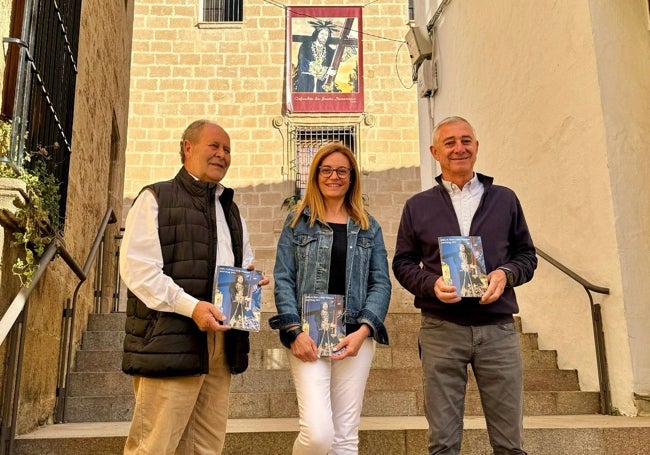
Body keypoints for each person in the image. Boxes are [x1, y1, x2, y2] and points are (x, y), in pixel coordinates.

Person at [120, 119, 269, 454]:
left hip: (221, 343)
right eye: (214, 146)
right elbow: (139, 271)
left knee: (205, 446)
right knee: (153, 446)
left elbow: (242, 263)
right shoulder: (155, 197)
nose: (222, 155)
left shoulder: (231, 210)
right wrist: (192, 307)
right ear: (188, 147)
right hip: (171, 339)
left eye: (227, 149)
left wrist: (249, 282)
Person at [392, 116, 537, 455]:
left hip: (497, 330)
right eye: (450, 142)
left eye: (466, 140)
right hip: (441, 329)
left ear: (476, 146)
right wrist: (430, 284)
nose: (459, 148)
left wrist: (506, 274)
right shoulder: (417, 206)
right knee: (442, 443)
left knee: (509, 444)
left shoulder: (505, 199)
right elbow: (402, 263)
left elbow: (526, 255)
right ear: (435, 152)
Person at [269, 143, 392, 454]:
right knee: (319, 434)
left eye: (341, 170)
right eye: (326, 170)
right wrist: (293, 332)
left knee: (346, 437)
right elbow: (284, 279)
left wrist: (364, 331)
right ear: (315, 175)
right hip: (309, 334)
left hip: (355, 336)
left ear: (351, 177)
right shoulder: (297, 223)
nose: (334, 176)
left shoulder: (368, 226)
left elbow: (381, 283)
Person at [293, 22, 337, 93]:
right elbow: (303, 63)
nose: (324, 36)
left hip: (321, 84)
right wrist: (325, 71)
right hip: (306, 82)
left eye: (326, 35)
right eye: (322, 33)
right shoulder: (305, 46)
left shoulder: (329, 50)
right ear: (317, 34)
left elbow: (339, 57)